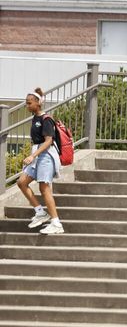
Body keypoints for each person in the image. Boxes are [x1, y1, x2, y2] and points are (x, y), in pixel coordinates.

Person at [17, 88, 64, 234]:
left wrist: (33, 156)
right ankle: (40, 212)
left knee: (44, 188)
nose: (27, 106)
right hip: (37, 155)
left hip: (45, 155)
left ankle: (56, 223)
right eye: (26, 103)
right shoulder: (35, 118)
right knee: (21, 182)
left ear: (38, 103)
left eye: (29, 103)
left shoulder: (46, 119)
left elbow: (48, 141)